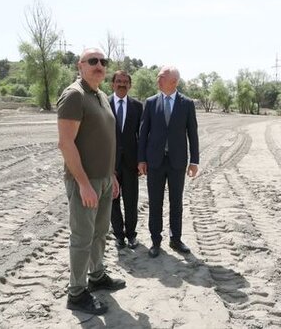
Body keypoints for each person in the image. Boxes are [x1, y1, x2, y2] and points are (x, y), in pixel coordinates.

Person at [57, 48, 126, 315]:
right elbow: (65, 143)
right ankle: (76, 293)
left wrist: (111, 175)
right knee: (82, 237)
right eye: (93, 61)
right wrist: (84, 183)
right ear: (80, 65)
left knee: (99, 233)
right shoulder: (75, 95)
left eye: (103, 62)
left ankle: (97, 276)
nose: (99, 65)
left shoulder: (100, 96)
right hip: (84, 181)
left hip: (104, 179)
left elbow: (103, 139)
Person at [138, 66, 199, 258]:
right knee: (155, 202)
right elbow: (143, 133)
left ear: (173, 81)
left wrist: (194, 161)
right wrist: (141, 159)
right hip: (154, 161)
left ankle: (176, 239)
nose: (157, 79)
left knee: (176, 202)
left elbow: (192, 133)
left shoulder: (187, 104)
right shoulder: (150, 102)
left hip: (177, 162)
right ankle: (156, 241)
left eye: (161, 77)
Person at [108, 71, 143, 249]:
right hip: (109, 163)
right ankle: (119, 235)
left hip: (131, 163)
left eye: (125, 82)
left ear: (130, 85)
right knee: (113, 200)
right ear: (112, 84)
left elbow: (142, 136)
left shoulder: (138, 106)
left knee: (131, 200)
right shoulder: (103, 104)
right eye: (118, 81)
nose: (122, 84)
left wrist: (142, 160)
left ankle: (131, 235)